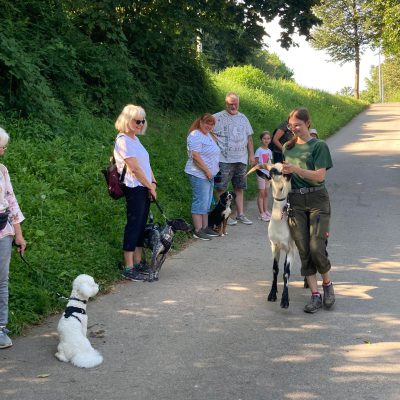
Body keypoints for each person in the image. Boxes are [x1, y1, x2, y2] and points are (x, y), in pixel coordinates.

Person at [282, 107, 335, 313]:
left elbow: (320, 176)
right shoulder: (287, 147)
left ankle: (328, 285)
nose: (294, 129)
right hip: (295, 200)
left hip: (317, 199)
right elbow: (287, 176)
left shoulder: (319, 146)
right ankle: (314, 295)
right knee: (303, 248)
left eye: (298, 125)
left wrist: (296, 170)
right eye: (291, 125)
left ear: (307, 124)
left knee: (316, 247)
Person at [114, 105, 157, 281]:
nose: (140, 124)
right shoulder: (123, 140)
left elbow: (146, 165)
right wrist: (149, 186)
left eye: (142, 121)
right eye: (137, 121)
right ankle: (128, 266)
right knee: (133, 225)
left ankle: (138, 262)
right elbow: (135, 169)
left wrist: (153, 182)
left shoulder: (135, 140)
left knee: (141, 225)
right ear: (127, 120)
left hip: (144, 187)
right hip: (134, 188)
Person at [0, 127, 26, 348]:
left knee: (1, 282)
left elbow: (11, 201)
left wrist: (19, 234)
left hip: (3, 233)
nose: (2, 151)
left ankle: (0, 329)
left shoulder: (3, 170)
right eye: (1, 147)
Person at [213, 92, 255, 225]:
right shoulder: (217, 117)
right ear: (226, 104)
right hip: (223, 159)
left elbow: (249, 138)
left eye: (235, 103)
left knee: (239, 187)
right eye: (231, 104)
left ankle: (240, 214)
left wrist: (252, 155)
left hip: (241, 158)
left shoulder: (243, 118)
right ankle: (224, 215)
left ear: (238, 103)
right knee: (221, 188)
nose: (233, 106)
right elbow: (207, 131)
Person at [184, 113, 220, 240]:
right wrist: (207, 171)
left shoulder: (208, 135)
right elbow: (196, 156)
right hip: (199, 173)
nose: (209, 126)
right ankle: (198, 229)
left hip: (209, 175)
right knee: (200, 201)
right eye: (207, 123)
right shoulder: (195, 135)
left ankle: (205, 227)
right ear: (200, 122)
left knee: (206, 201)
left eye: (211, 124)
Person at [254, 131, 273, 222]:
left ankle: (266, 211)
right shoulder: (259, 150)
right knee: (261, 193)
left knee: (266, 193)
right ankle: (261, 213)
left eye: (268, 138)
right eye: (264, 138)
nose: (266, 140)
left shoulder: (269, 151)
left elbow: (270, 162)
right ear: (261, 139)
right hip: (261, 174)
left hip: (268, 174)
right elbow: (256, 162)